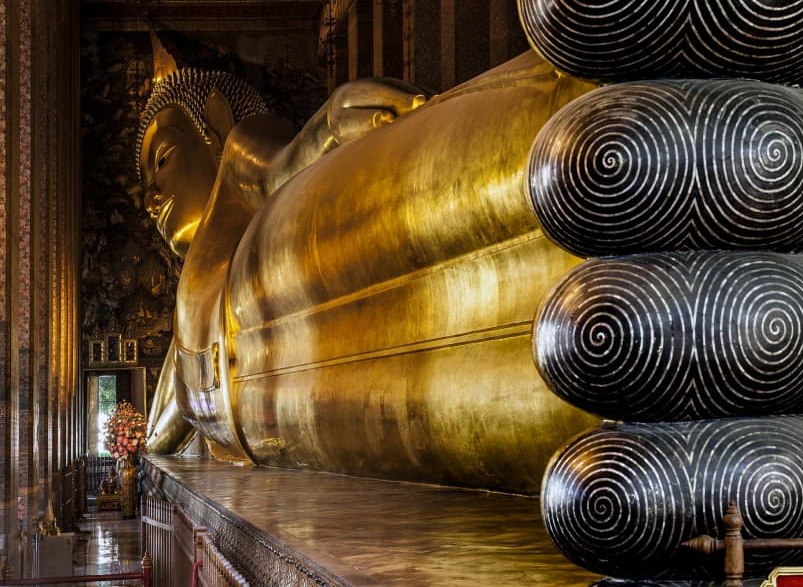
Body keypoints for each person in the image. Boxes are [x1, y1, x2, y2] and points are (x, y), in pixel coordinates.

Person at [138, 49, 597, 492]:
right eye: (145, 186)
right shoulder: (190, 303)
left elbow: (282, 166)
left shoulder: (237, 157)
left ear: (215, 128)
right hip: (275, 405)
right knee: (455, 400)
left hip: (274, 268)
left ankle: (584, 133)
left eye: (162, 161)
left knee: (469, 201)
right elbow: (164, 428)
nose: (152, 197)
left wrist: (329, 123)